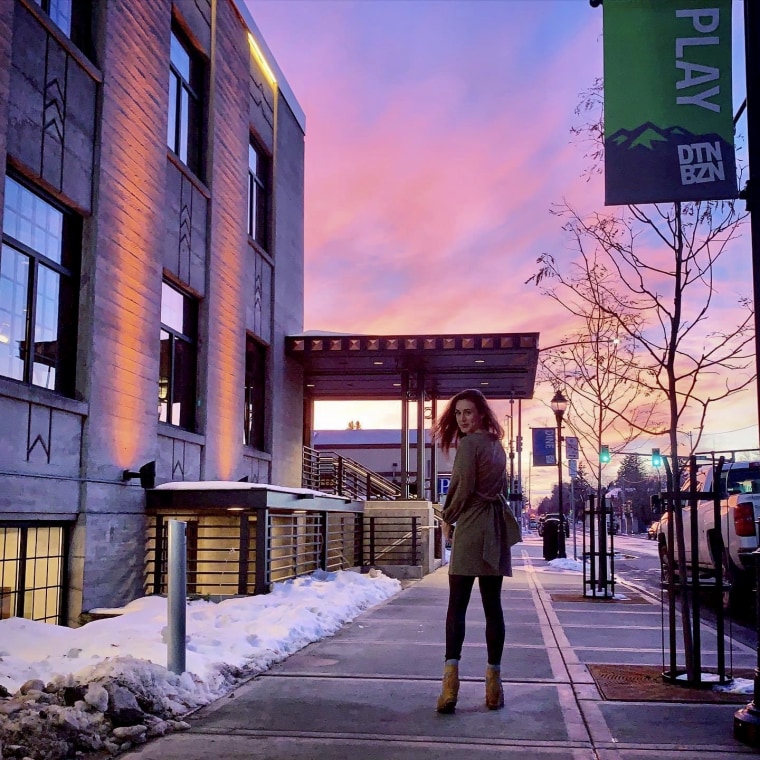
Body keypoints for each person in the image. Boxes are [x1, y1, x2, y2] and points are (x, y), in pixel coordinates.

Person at [432, 388, 511, 713]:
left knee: (457, 607)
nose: (463, 419)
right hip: (495, 529)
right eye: (459, 413)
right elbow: (500, 487)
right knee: (493, 607)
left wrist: (447, 518)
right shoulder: (497, 446)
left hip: (473, 527)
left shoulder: (469, 445)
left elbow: (461, 488)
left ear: (480, 414)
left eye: (468, 412)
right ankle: (493, 686)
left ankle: (450, 686)